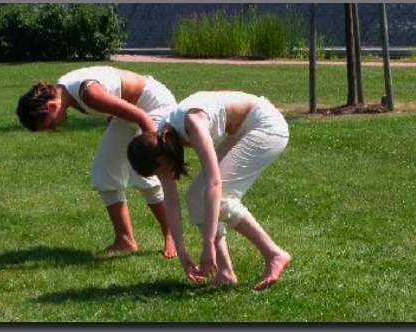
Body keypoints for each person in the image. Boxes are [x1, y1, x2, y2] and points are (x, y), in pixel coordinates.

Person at [127, 91, 292, 290]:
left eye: (159, 171)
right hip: (241, 129)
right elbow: (170, 200)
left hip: (267, 127)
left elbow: (214, 183)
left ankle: (274, 254)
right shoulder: (162, 141)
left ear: (162, 160)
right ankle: (225, 272)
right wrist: (181, 250)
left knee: (221, 197)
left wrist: (208, 244)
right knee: (196, 196)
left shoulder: (193, 122)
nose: (163, 176)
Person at [16, 66, 177, 258]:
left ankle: (171, 235)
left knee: (143, 173)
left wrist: (152, 150)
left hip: (155, 107)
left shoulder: (87, 92)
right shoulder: (66, 94)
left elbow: (142, 117)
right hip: (132, 111)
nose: (55, 128)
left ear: (51, 106)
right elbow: (114, 99)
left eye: (50, 124)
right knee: (104, 172)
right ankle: (125, 240)